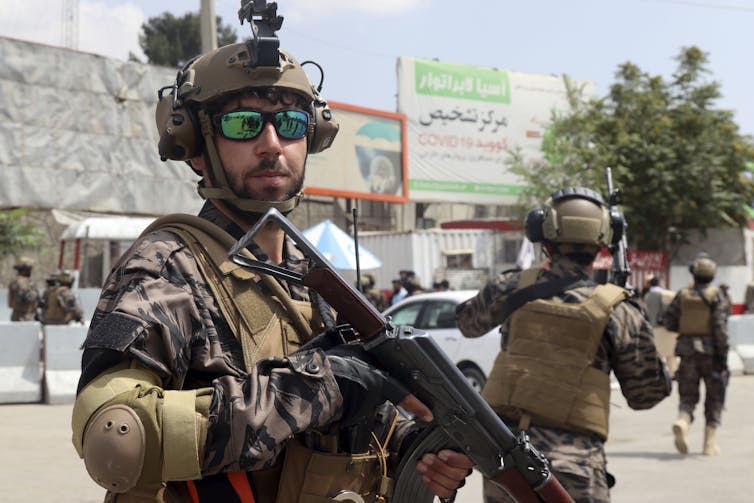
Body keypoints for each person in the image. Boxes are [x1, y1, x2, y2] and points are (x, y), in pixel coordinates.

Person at [70, 20, 471, 503]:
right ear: (198, 149)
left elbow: (349, 420)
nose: (272, 144)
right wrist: (317, 384)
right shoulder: (167, 265)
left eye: (291, 125)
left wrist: (414, 450)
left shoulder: (312, 276)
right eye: (243, 124)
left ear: (312, 137)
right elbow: (113, 440)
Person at [456, 186, 671, 503]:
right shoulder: (619, 309)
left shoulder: (511, 287)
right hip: (576, 467)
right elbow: (645, 395)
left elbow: (467, 323)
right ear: (602, 243)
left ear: (542, 236)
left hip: (508, 461)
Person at [663, 254, 729, 456]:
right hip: (710, 354)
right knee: (714, 398)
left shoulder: (683, 294)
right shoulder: (716, 295)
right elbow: (720, 328)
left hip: (687, 352)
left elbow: (669, 321)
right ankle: (709, 444)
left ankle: (682, 421)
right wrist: (723, 356)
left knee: (688, 395)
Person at [7, 256, 39, 321]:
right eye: (29, 269)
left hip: (23, 314)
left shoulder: (19, 281)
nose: (30, 271)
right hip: (23, 316)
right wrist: (35, 295)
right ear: (25, 269)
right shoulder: (21, 282)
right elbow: (23, 297)